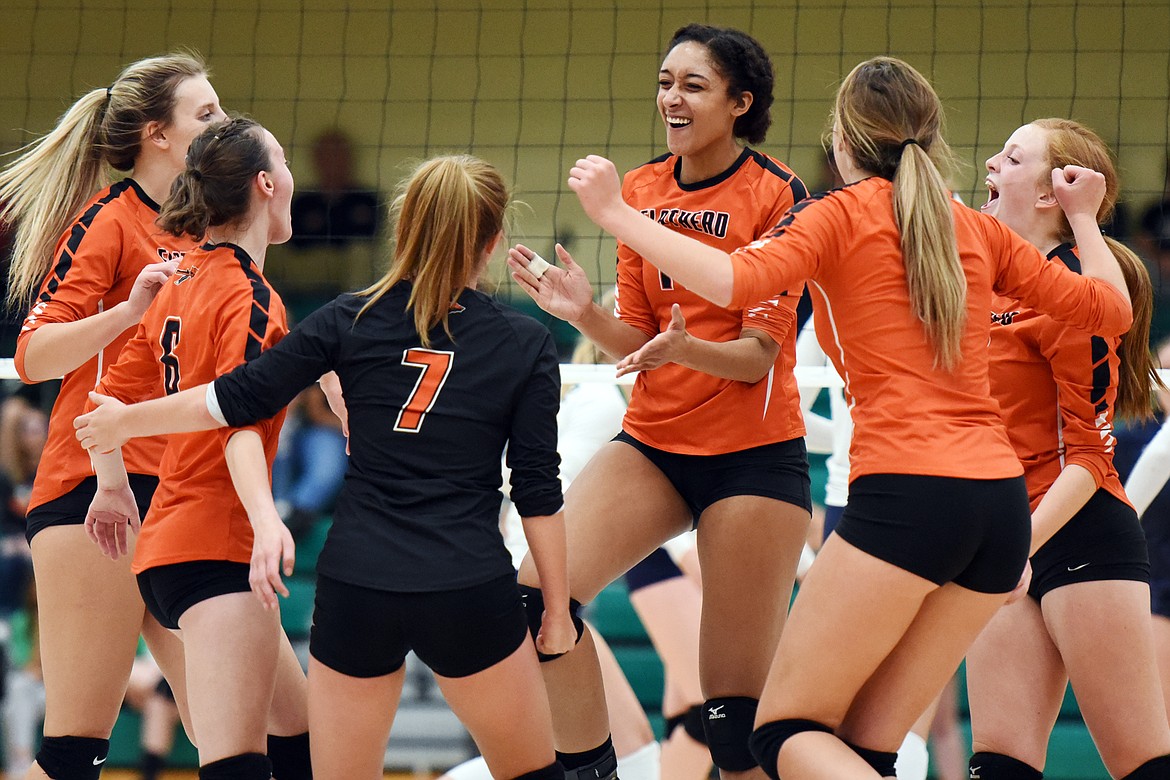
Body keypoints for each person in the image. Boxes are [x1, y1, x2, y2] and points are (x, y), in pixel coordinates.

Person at [558, 55, 1135, 780]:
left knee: (786, 732)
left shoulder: (833, 215)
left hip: (909, 494)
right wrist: (1083, 218)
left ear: (843, 139)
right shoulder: (973, 228)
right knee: (864, 749)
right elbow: (1114, 309)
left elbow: (732, 276)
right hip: (997, 508)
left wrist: (615, 215)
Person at [75, 153, 575, 780]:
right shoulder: (526, 342)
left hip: (358, 585)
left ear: (405, 231)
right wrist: (556, 610)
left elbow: (234, 399)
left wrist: (126, 421)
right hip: (465, 582)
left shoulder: (347, 319)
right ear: (496, 241)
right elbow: (536, 488)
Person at [507, 23, 810, 780]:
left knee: (732, 721)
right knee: (535, 605)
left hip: (752, 460)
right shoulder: (639, 190)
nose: (672, 97)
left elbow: (757, 360)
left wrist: (684, 350)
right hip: (655, 447)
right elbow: (638, 342)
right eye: (666, 81)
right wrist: (581, 311)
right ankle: (591, 770)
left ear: (740, 104)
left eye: (694, 85)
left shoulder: (779, 196)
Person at [0, 52, 225, 780]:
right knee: (73, 756)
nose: (224, 124)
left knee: (239, 731)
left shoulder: (205, 236)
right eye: (206, 114)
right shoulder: (107, 220)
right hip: (96, 492)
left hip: (180, 498)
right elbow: (33, 355)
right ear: (158, 135)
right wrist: (125, 312)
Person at [78, 116, 311, 780]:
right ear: (266, 184)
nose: (293, 177)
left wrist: (113, 484)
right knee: (235, 764)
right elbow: (236, 419)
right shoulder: (249, 295)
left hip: (169, 550)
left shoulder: (178, 281)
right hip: (218, 544)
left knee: (305, 741)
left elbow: (103, 408)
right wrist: (268, 519)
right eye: (286, 162)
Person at [964, 118, 1170, 780]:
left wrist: (1013, 547)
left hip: (1079, 532)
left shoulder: (1074, 292)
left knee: (1140, 763)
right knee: (999, 765)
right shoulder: (982, 281)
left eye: (1012, 156)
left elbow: (1089, 457)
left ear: (1053, 193)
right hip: (1002, 533)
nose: (991, 163)